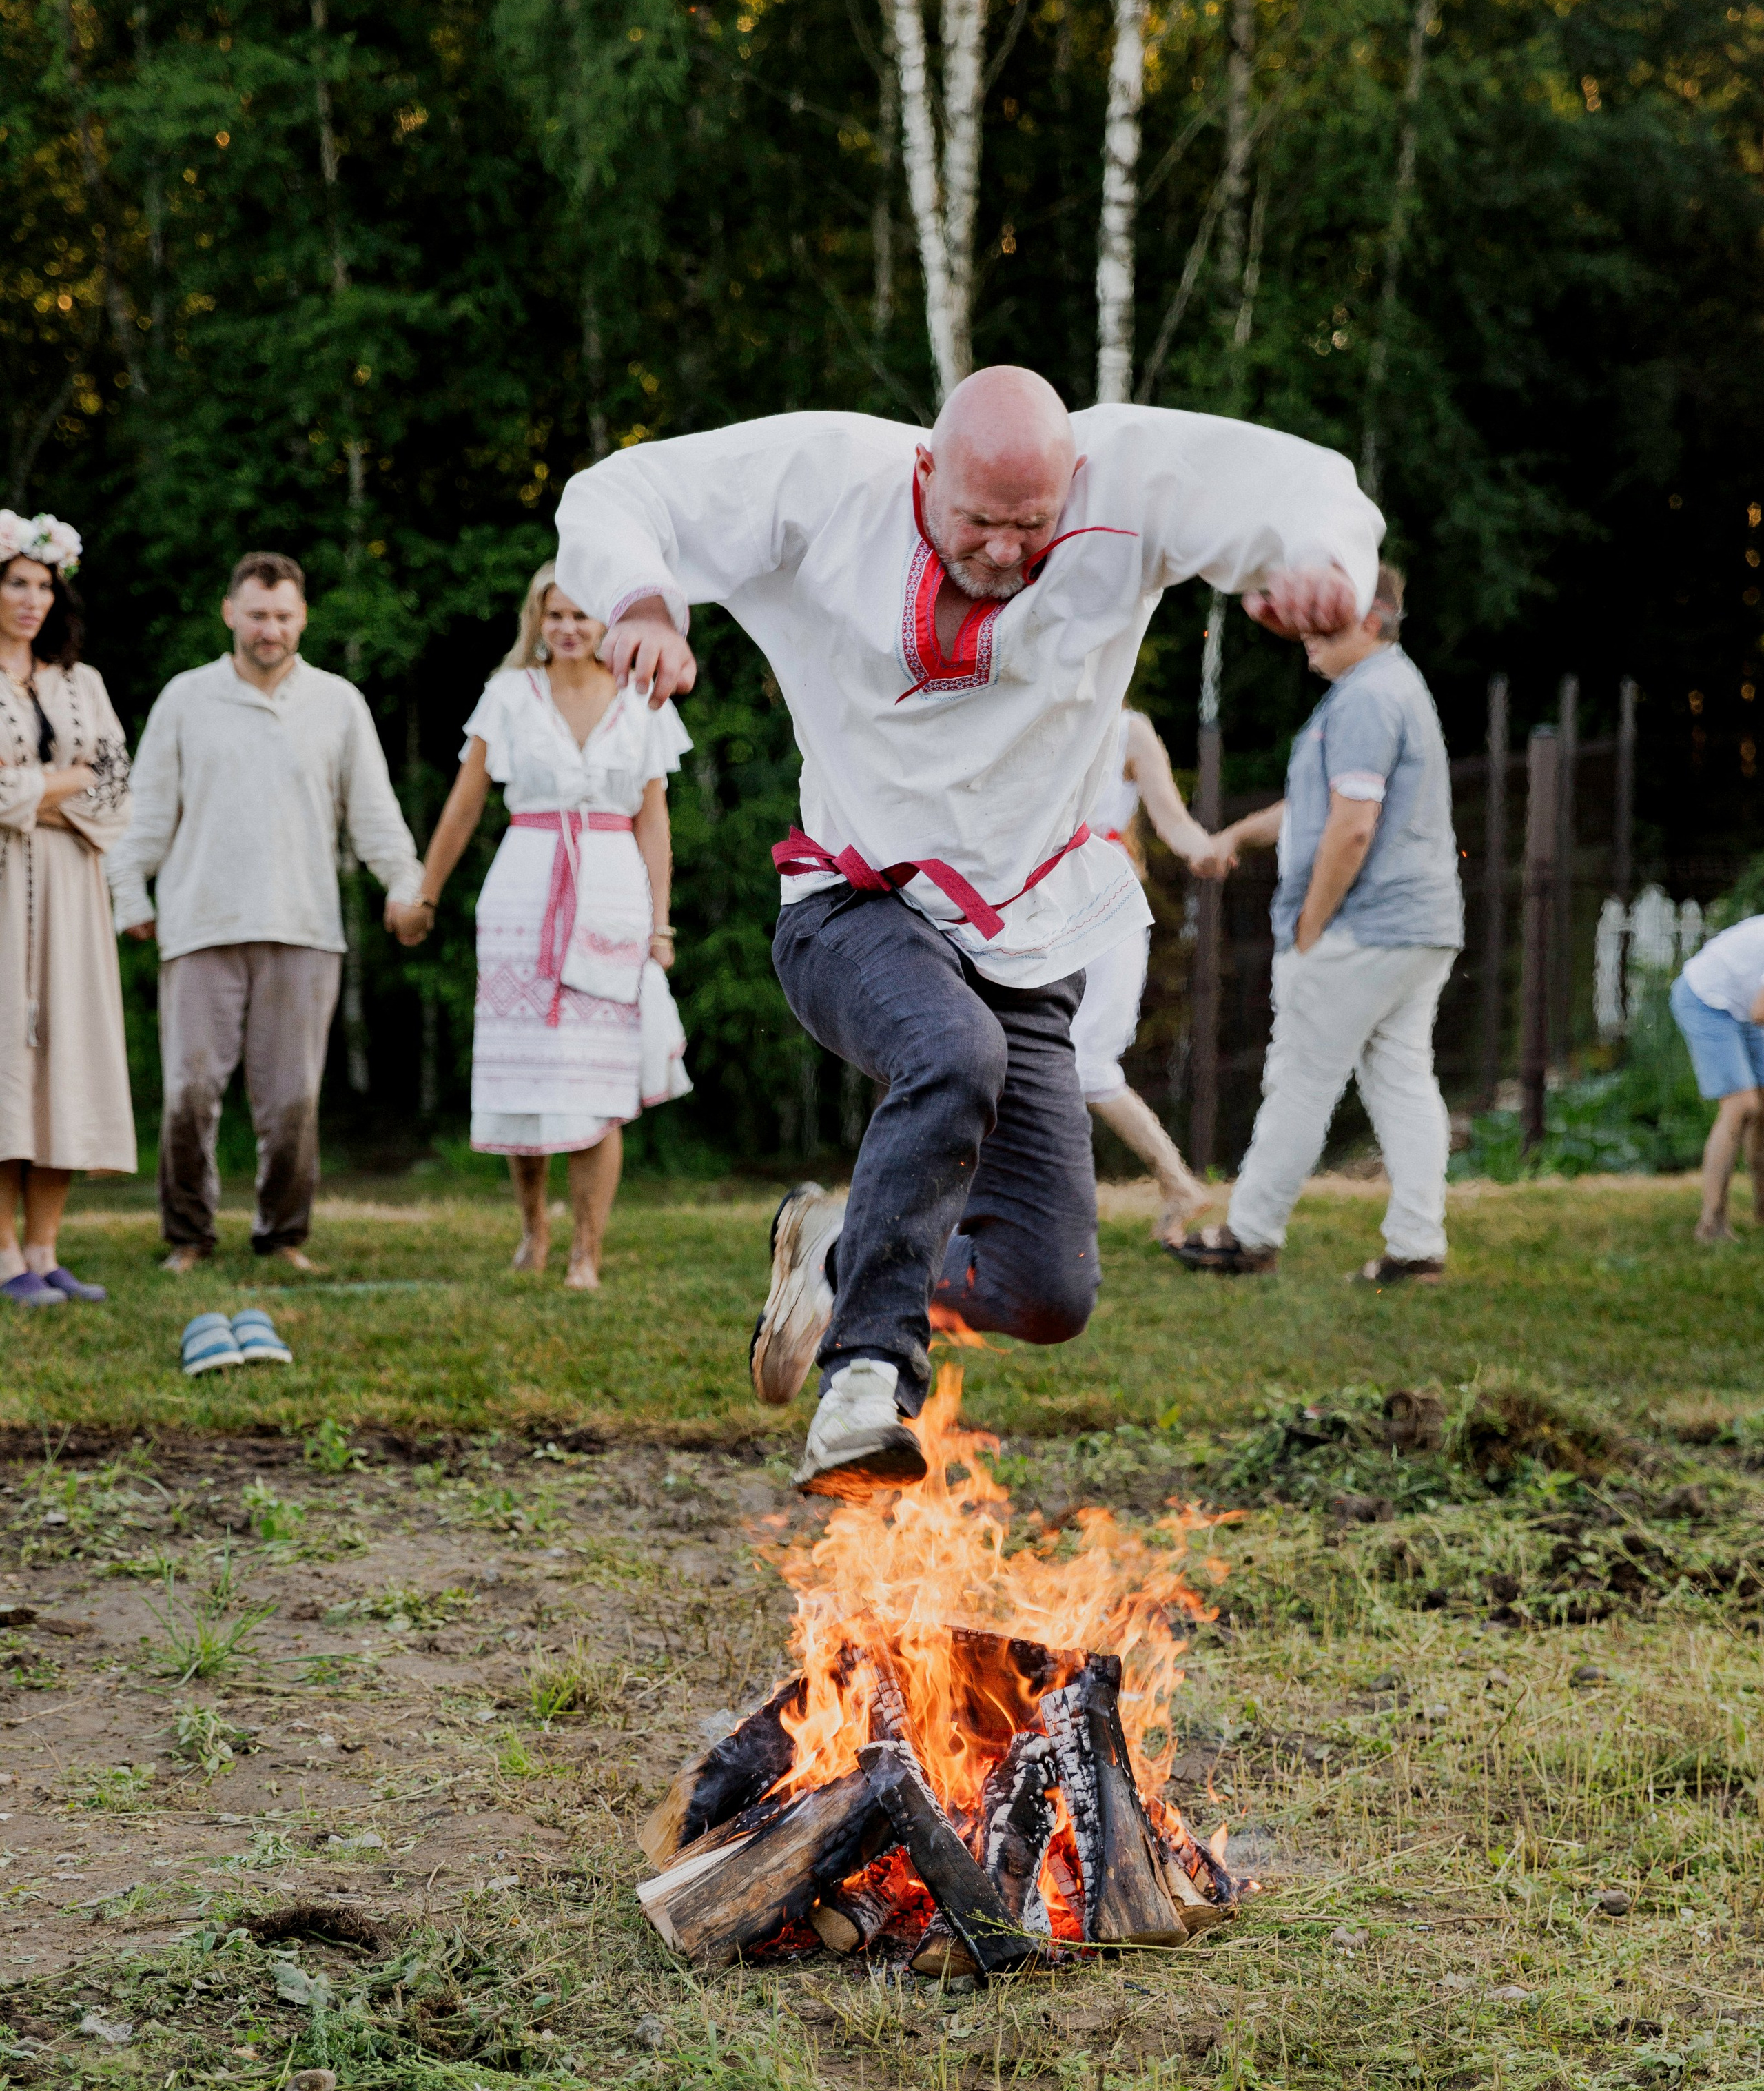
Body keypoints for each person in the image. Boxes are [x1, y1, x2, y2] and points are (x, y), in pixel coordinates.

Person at [554, 367, 1380, 1493]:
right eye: (978, 524)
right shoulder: (829, 478)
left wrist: (1330, 568)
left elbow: (1304, 486)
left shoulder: (1126, 474)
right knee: (953, 1053)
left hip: (1025, 938)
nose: (1003, 552)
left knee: (1048, 1291)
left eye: (1033, 528)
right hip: (853, 906)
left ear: (1072, 486)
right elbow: (622, 493)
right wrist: (644, 603)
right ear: (925, 474)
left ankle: (849, 1255)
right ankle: (864, 1387)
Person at [109, 551, 423, 1273]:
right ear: (230, 613)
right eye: (256, 614)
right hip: (200, 924)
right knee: (188, 1092)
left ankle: (282, 1235)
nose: (269, 629)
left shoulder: (338, 702)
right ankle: (188, 1235)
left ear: (303, 617)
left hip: (303, 925)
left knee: (291, 1102)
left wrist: (403, 883)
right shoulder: (186, 698)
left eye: (283, 616)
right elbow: (146, 811)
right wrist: (132, 893)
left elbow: (373, 816)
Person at [390, 563, 690, 1290]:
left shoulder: (641, 699)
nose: (567, 629)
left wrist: (661, 926)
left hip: (611, 889)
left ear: (608, 626)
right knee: (524, 1073)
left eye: (582, 617)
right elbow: (463, 806)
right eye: (554, 615)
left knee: (598, 1080)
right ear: (538, 620)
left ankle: (588, 1251)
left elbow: (654, 822)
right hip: (525, 889)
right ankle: (534, 1228)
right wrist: (424, 894)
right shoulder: (508, 696)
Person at [1173, 562, 1463, 1283]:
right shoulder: (1387, 688)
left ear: (1373, 619)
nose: (1304, 635)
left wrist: (1310, 925)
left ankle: (1248, 1234)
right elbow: (1318, 805)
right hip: (1419, 926)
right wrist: (1237, 835)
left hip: (1360, 930)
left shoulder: (1366, 699)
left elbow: (1352, 826)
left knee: (1300, 1079)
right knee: (1401, 1080)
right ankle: (1417, 1245)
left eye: (1323, 620)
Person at [0, 511, 135, 1306]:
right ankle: (3, 1254)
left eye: (43, 586)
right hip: (5, 889)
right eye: (16, 583)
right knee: (5, 1055)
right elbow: (82, 782)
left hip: (71, 893)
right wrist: (60, 784)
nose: (31, 600)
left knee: (64, 1058)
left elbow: (117, 792)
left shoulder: (81, 684)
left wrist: (26, 795)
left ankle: (46, 1250)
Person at [1072, 704, 1227, 1247]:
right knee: (1027, 1052)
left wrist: (1202, 848)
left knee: (1085, 1059)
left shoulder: (1126, 730)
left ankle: (1177, 1182)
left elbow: (1171, 817)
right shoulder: (1033, 708)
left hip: (1106, 903)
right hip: (1035, 906)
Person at [1669, 915, 1764, 1242]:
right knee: (1742, 1106)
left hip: (1745, 1004)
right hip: (1706, 999)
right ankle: (1712, 1226)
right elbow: (1761, 1012)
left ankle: (1762, 1213)